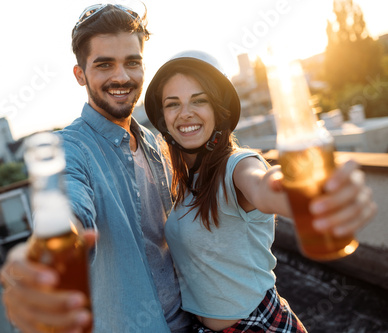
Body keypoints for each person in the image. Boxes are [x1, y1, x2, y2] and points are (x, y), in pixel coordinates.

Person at [0, 4, 377, 333]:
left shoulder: (163, 148)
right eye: (104, 64)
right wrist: (48, 260)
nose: (121, 76)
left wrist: (304, 194)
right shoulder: (71, 149)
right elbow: (68, 210)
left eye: (132, 62)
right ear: (81, 74)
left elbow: (263, 185)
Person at [143, 50, 377, 332]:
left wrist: (304, 196)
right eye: (172, 104)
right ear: (163, 117)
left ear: (219, 109)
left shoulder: (237, 166)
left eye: (199, 100)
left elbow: (264, 187)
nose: (185, 113)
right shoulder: (183, 184)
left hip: (258, 325)